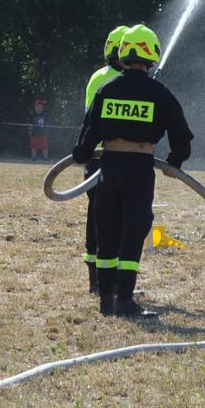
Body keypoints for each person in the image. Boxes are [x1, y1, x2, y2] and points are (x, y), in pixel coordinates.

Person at [73, 24, 194, 318]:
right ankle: (125, 301)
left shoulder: (107, 89)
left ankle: (106, 301)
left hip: (108, 167)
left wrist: (82, 154)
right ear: (152, 53)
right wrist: (174, 162)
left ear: (122, 52)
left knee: (107, 231)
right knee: (132, 231)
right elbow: (181, 135)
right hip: (139, 170)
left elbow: (88, 132)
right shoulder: (159, 93)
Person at [80, 26, 127, 296]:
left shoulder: (103, 76)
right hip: (103, 157)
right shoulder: (108, 79)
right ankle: (101, 278)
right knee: (104, 218)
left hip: (103, 158)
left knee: (105, 217)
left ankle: (104, 278)